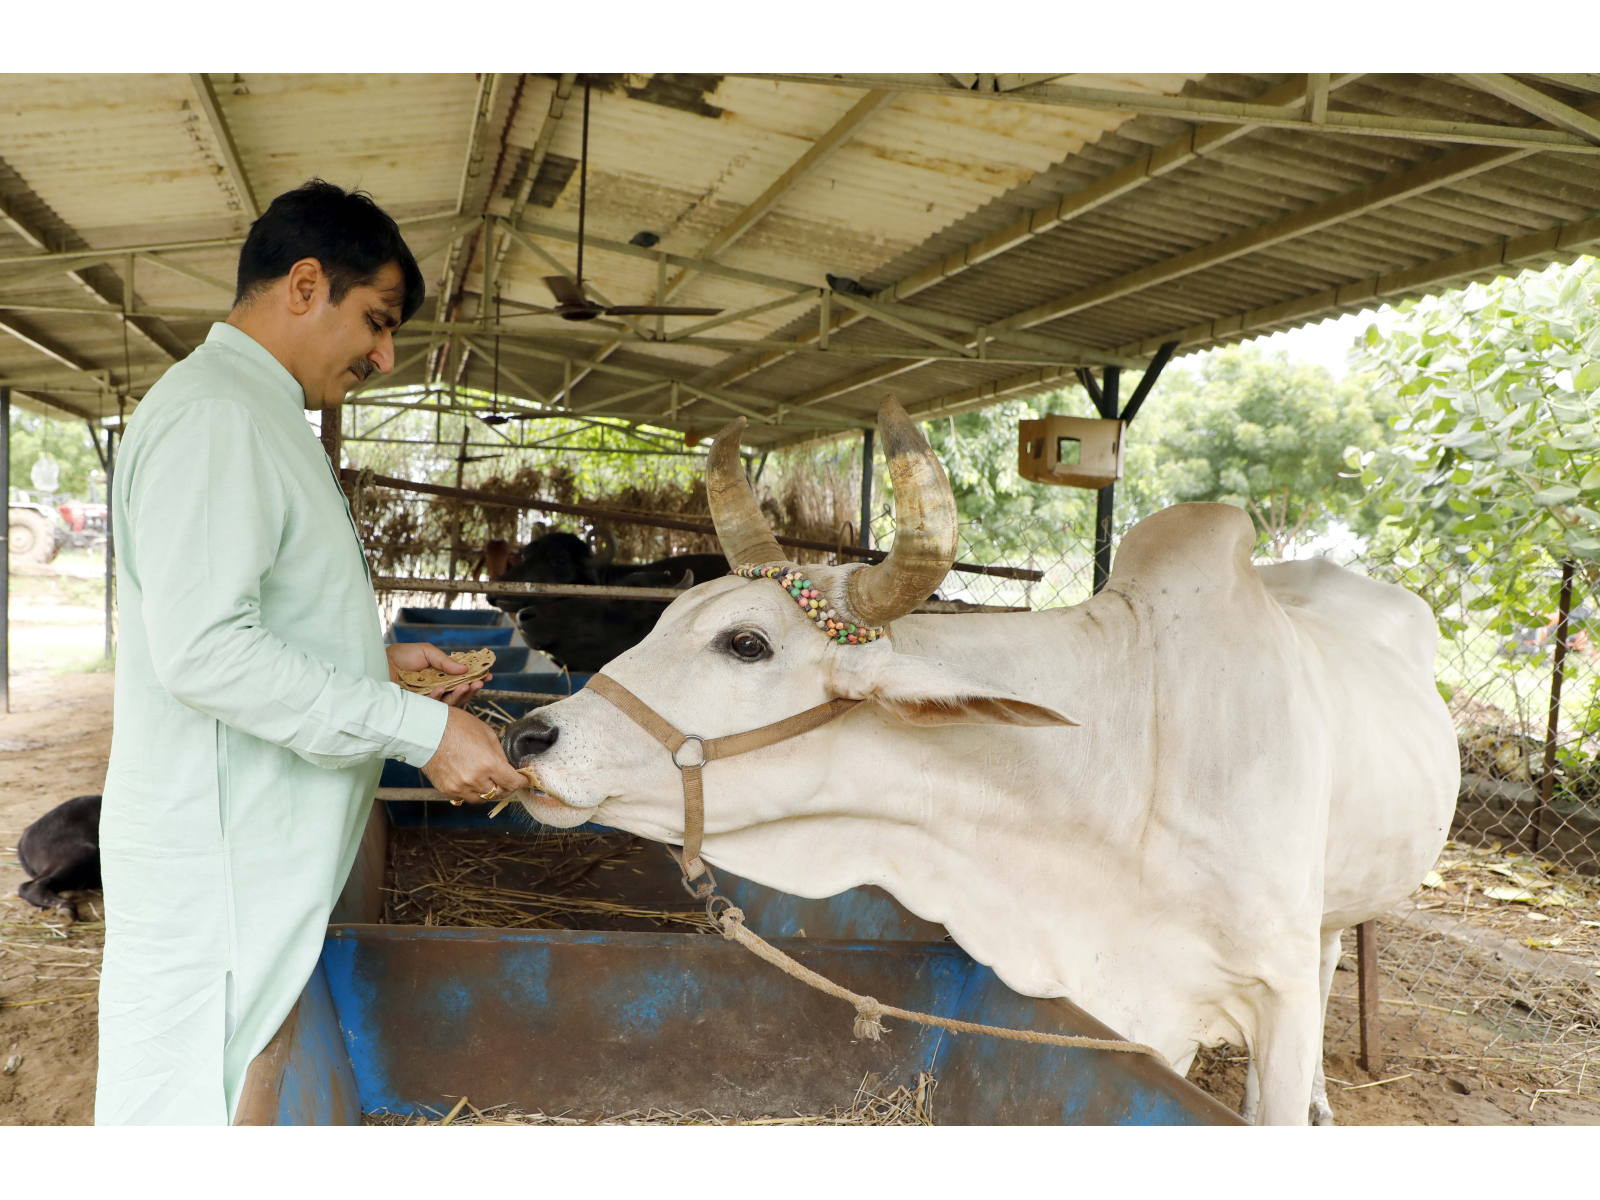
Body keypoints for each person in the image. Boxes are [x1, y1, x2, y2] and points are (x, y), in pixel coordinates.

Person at [95, 180, 528, 1125]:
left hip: (251, 857)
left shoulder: (255, 414)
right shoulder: (218, 417)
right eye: (376, 320)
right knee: (184, 1113)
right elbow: (205, 653)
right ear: (303, 285)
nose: (384, 355)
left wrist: (376, 664)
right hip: (217, 868)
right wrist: (420, 731)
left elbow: (250, 619)